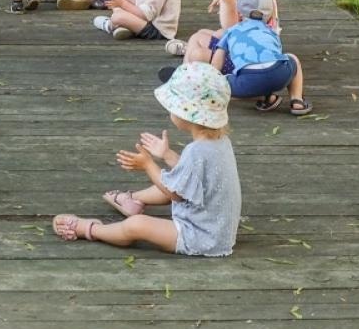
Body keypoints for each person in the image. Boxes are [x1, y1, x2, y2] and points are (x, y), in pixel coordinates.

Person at [52, 62, 241, 256]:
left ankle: (91, 229)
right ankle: (132, 200)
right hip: (217, 228)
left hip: (200, 236)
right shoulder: (220, 142)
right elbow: (192, 177)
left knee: (137, 224)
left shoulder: (196, 151)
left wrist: (148, 165)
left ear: (185, 114)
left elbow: (175, 194)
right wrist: (167, 154)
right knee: (173, 179)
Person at [206, 0, 310, 114]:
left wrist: (211, 79)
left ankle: (267, 97)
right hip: (278, 76)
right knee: (291, 59)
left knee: (224, 80)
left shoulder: (231, 31)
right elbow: (276, 56)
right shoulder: (271, 31)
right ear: (269, 15)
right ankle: (297, 100)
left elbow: (217, 62)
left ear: (239, 11)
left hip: (247, 82)